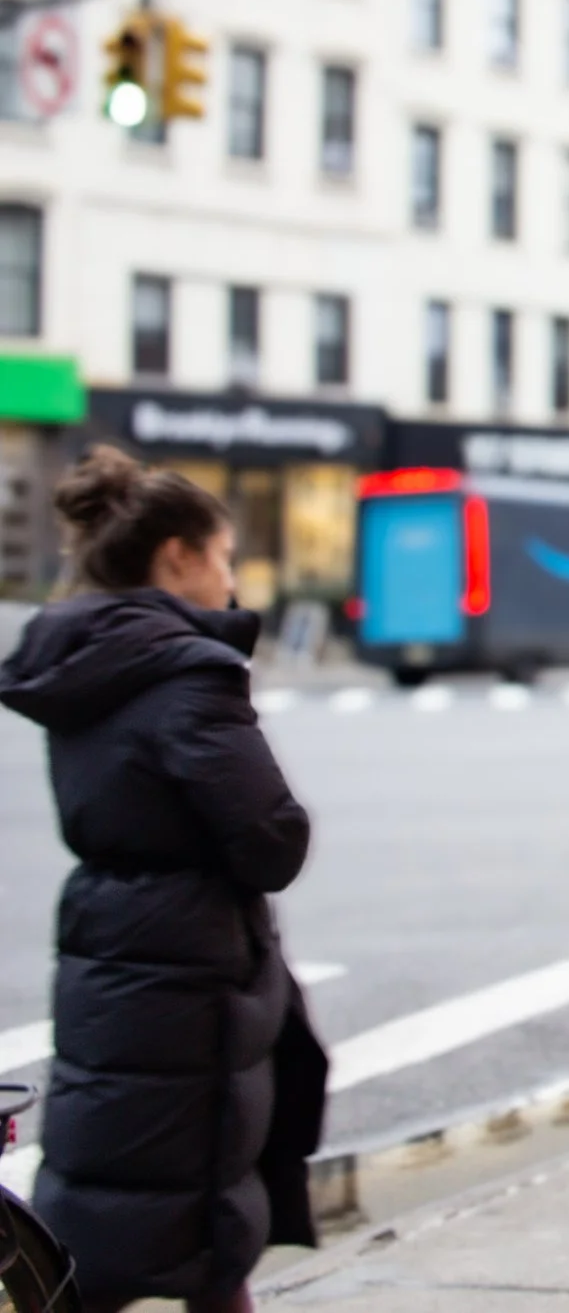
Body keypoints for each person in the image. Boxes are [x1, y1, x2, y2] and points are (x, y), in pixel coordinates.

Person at [0, 447, 326, 1313]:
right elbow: (271, 838)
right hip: (193, 964)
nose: (229, 579)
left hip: (105, 937)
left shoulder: (78, 659)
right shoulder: (188, 672)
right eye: (223, 556)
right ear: (177, 555)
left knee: (109, 1169)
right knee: (200, 1215)